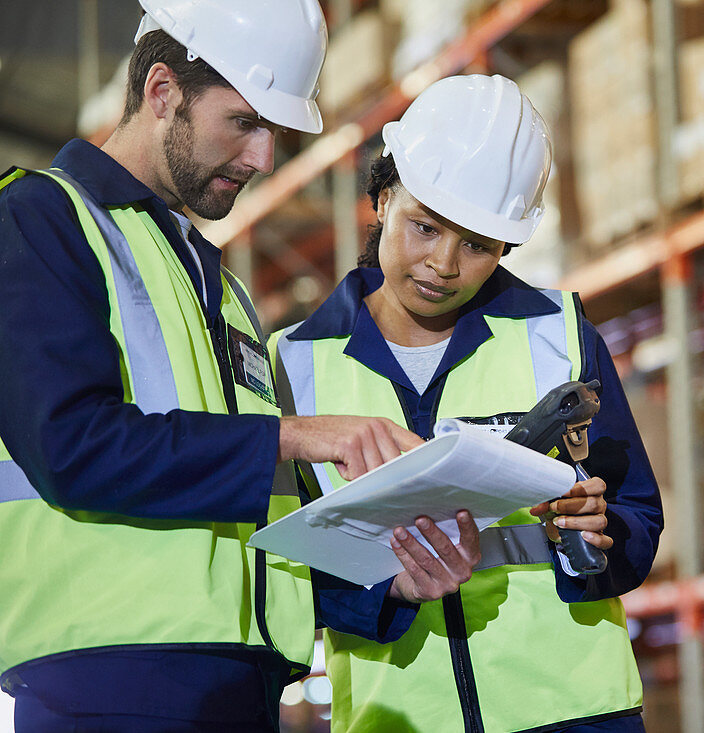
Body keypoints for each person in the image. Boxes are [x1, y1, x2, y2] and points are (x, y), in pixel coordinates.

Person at [0, 2, 479, 730]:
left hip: (239, 691)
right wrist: (300, 434)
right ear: (161, 92)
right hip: (108, 687)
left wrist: (389, 585)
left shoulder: (218, 288)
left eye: (273, 133)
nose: (261, 159)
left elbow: (247, 535)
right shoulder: (39, 220)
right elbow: (71, 445)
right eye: (245, 122)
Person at [269, 74, 664, 733]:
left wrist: (598, 532)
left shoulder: (559, 336)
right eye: (424, 228)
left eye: (477, 244)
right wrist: (382, 589)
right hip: (399, 719)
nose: (443, 264)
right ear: (384, 196)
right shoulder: (293, 364)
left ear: (507, 245)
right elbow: (279, 574)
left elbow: (638, 518)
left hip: (574, 715)